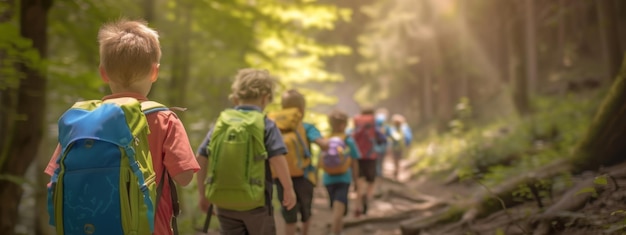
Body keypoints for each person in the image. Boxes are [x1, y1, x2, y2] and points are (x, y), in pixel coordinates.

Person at [44, 19, 200, 235]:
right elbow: (185, 178)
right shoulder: (164, 119)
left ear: (103, 72)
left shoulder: (81, 121)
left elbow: (54, 181)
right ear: (155, 72)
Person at [195, 68, 296, 235]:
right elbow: (277, 158)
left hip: (223, 202)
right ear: (265, 99)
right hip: (256, 204)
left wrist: (202, 194)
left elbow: (201, 157)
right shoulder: (266, 124)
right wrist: (288, 188)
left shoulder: (221, 123)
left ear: (236, 98)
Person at [272, 89, 328, 235]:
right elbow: (322, 144)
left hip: (280, 177)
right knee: (306, 211)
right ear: (302, 109)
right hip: (304, 176)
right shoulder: (306, 127)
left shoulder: (273, 127)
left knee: (289, 214)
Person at [322, 109, 361, 235]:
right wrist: (356, 181)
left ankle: (337, 230)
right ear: (344, 124)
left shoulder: (325, 140)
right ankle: (336, 232)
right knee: (339, 210)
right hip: (343, 179)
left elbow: (320, 160)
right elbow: (355, 161)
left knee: (335, 208)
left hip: (328, 179)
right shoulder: (348, 140)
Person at [352, 106, 387, 217]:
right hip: (371, 155)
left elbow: (352, 136)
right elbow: (382, 138)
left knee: (359, 181)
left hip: (358, 156)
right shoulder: (373, 122)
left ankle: (358, 205)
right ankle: (367, 196)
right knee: (371, 181)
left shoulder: (357, 122)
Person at [389, 114, 411, 179]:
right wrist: (407, 144)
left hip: (394, 146)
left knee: (395, 159)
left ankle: (396, 169)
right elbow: (408, 137)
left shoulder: (392, 128)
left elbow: (389, 137)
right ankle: (398, 170)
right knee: (399, 159)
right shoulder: (404, 128)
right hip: (401, 146)